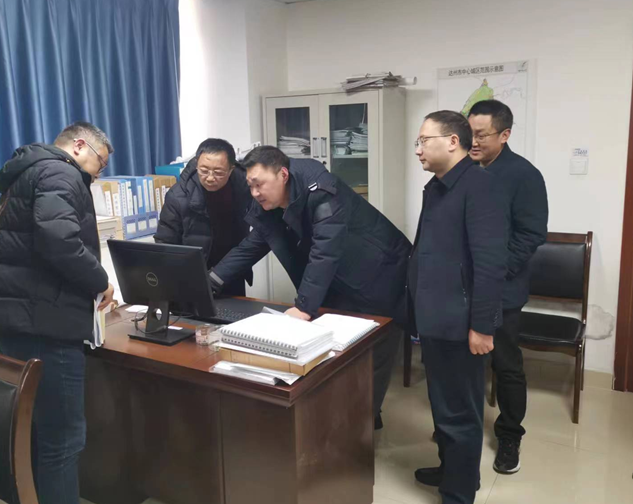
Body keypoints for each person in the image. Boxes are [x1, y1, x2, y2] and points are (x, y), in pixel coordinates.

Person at [0, 121, 115, 504]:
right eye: (100, 163)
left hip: (12, 317)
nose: (99, 173)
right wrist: (101, 281)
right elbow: (60, 241)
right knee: (63, 439)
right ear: (79, 146)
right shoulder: (60, 172)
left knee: (35, 432)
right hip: (43, 325)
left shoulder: (29, 170)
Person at [208, 146, 412, 425]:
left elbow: (325, 249)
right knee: (337, 356)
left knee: (371, 356)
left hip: (379, 275)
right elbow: (252, 246)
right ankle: (342, 424)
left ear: (282, 175)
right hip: (337, 279)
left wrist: (304, 306)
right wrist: (210, 282)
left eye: (259, 184)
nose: (254, 193)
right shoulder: (270, 202)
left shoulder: (322, 190)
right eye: (250, 186)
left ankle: (362, 428)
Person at [410, 111, 507, 504]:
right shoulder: (438, 186)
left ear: (453, 141)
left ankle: (459, 492)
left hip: (460, 320)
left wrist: (482, 327)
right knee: (443, 405)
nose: (418, 149)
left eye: (424, 140)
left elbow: (490, 265)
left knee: (460, 413)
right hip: (436, 315)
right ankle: (452, 469)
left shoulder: (480, 185)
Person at [468, 100, 548, 474]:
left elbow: (531, 234)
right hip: (465, 287)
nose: (473, 141)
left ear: (504, 135)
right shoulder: (465, 170)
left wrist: (495, 273)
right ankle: (463, 426)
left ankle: (510, 435)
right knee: (466, 361)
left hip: (503, 289)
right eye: (469, 133)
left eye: (481, 135)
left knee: (506, 364)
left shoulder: (523, 175)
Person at [155, 138, 253, 295]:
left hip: (232, 270)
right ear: (196, 164)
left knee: (236, 309)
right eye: (204, 170)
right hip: (192, 277)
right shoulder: (178, 196)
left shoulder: (246, 187)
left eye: (218, 172)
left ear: (231, 170)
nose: (210, 178)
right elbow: (165, 243)